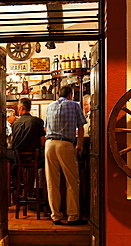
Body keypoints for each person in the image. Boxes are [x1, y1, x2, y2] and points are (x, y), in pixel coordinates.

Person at [44, 86, 87, 225]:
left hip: (49, 144)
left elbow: (46, 128)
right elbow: (81, 128)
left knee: (52, 182)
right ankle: (73, 216)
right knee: (72, 181)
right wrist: (79, 145)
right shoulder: (75, 105)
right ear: (71, 95)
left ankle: (56, 215)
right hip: (65, 144)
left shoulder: (50, 106)